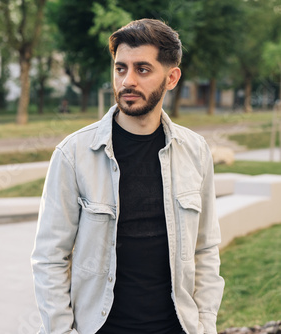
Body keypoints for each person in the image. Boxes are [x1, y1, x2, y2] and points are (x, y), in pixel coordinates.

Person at [31, 19, 224, 334]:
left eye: (142, 70)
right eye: (120, 69)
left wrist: (205, 324)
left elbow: (205, 250)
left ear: (172, 77)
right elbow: (49, 258)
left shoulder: (196, 152)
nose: (127, 81)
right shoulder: (74, 154)